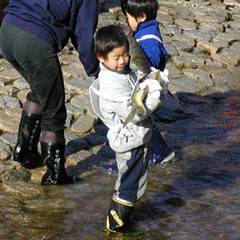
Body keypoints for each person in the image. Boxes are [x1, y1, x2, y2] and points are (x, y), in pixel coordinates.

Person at [0, 0, 99, 185]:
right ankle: (55, 174)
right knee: (54, 109)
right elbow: (84, 38)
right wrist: (97, 71)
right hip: (33, 42)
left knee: (41, 91)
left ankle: (25, 151)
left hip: (7, 30)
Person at [89, 25, 162, 232]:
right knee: (131, 182)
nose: (123, 61)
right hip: (130, 141)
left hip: (135, 137)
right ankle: (116, 223)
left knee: (130, 178)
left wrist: (148, 82)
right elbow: (137, 111)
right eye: (117, 57)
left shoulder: (121, 73)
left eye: (126, 55)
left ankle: (123, 215)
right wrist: (155, 92)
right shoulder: (112, 85)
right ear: (101, 58)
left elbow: (135, 88)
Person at [121, 0, 175, 165]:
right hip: (147, 84)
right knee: (143, 118)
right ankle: (158, 151)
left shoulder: (149, 37)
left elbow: (153, 57)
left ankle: (156, 152)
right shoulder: (147, 30)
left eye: (128, 17)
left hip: (149, 85)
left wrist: (138, 63)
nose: (126, 21)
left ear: (141, 16)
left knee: (140, 118)